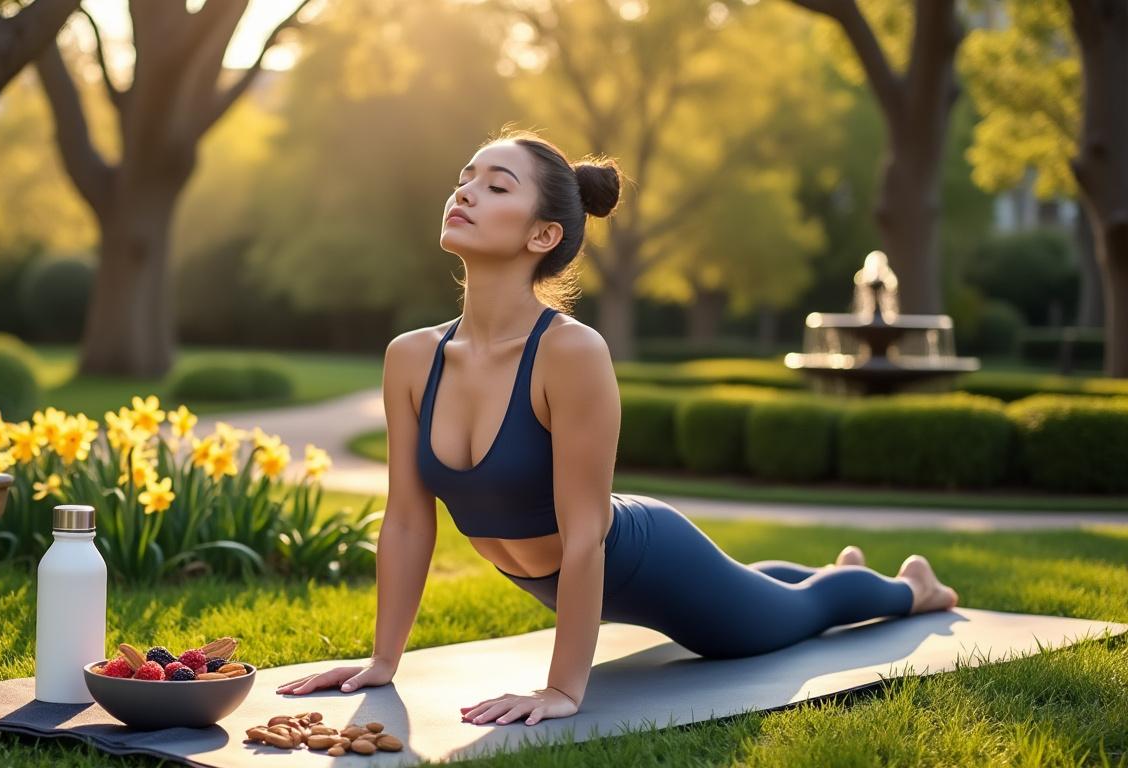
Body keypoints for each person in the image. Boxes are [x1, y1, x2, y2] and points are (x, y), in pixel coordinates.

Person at [276, 128, 959, 727]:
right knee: (756, 590)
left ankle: (912, 589)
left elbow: (584, 536)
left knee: (789, 618)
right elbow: (406, 520)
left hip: (643, 557)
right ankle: (826, 573)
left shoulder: (570, 352)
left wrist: (562, 690)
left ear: (543, 235)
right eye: (465, 178)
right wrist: (383, 661)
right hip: (573, 574)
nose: (466, 192)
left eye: (496, 185)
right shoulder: (411, 357)